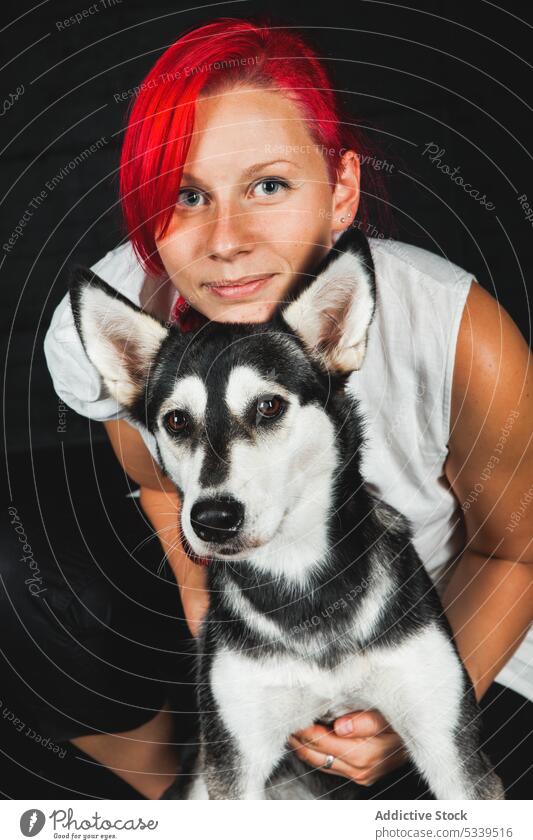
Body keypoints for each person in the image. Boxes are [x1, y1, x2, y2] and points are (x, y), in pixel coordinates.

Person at [23, 16, 533, 799]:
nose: (225, 240)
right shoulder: (122, 316)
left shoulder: (458, 338)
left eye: (268, 184)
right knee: (31, 588)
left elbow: (511, 552)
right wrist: (212, 623)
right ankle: (165, 788)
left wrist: (426, 706)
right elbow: (162, 485)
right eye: (187, 195)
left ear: (340, 193)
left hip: (434, 612)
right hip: (252, 606)